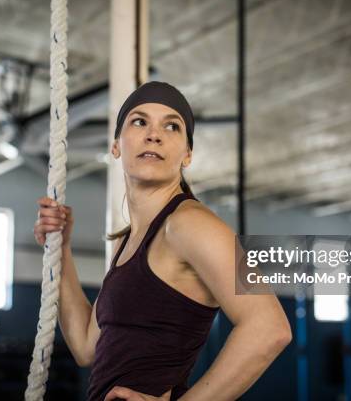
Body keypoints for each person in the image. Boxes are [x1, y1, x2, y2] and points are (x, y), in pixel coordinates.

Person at [34, 81, 292, 401]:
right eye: (140, 121)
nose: (154, 134)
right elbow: (87, 347)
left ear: (187, 154)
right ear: (116, 145)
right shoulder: (129, 242)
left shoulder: (190, 225)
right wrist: (62, 247)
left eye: (172, 126)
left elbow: (270, 327)